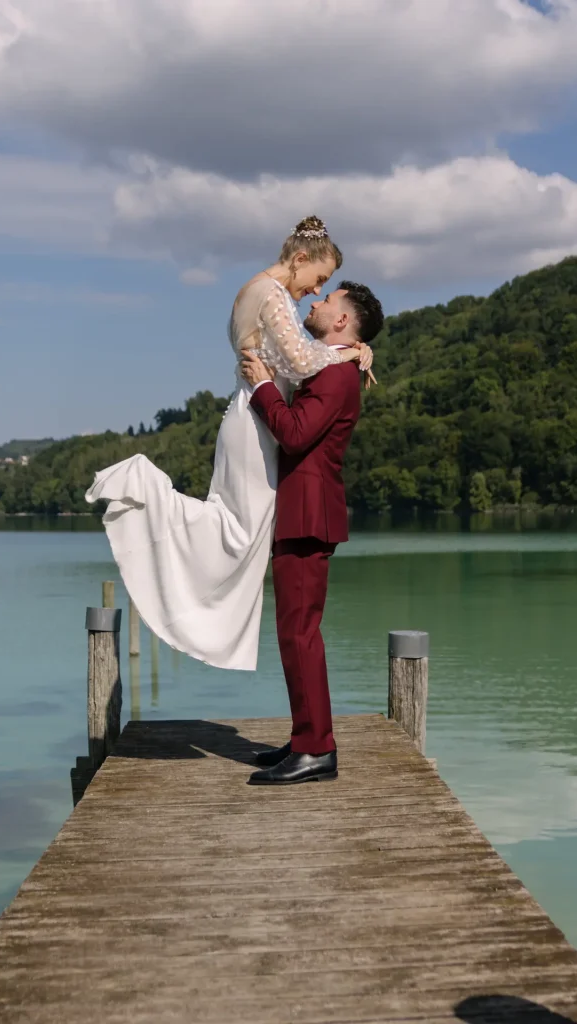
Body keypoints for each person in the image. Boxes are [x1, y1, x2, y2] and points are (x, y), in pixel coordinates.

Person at [85, 217, 373, 671]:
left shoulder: (259, 292)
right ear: (299, 260)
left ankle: (202, 605)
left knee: (240, 530)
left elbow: (297, 361)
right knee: (236, 531)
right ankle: (143, 491)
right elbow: (299, 361)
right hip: (257, 420)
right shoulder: (269, 294)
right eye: (318, 279)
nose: (314, 292)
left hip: (254, 416)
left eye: (325, 287)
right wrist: (350, 350)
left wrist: (348, 349)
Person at [239, 281, 384, 785]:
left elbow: (297, 432)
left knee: (300, 634)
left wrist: (260, 387)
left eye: (327, 301)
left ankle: (317, 749)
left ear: (344, 321)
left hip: (308, 515)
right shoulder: (332, 365)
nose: (316, 303)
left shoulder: (339, 376)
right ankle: (306, 737)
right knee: (294, 634)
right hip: (301, 513)